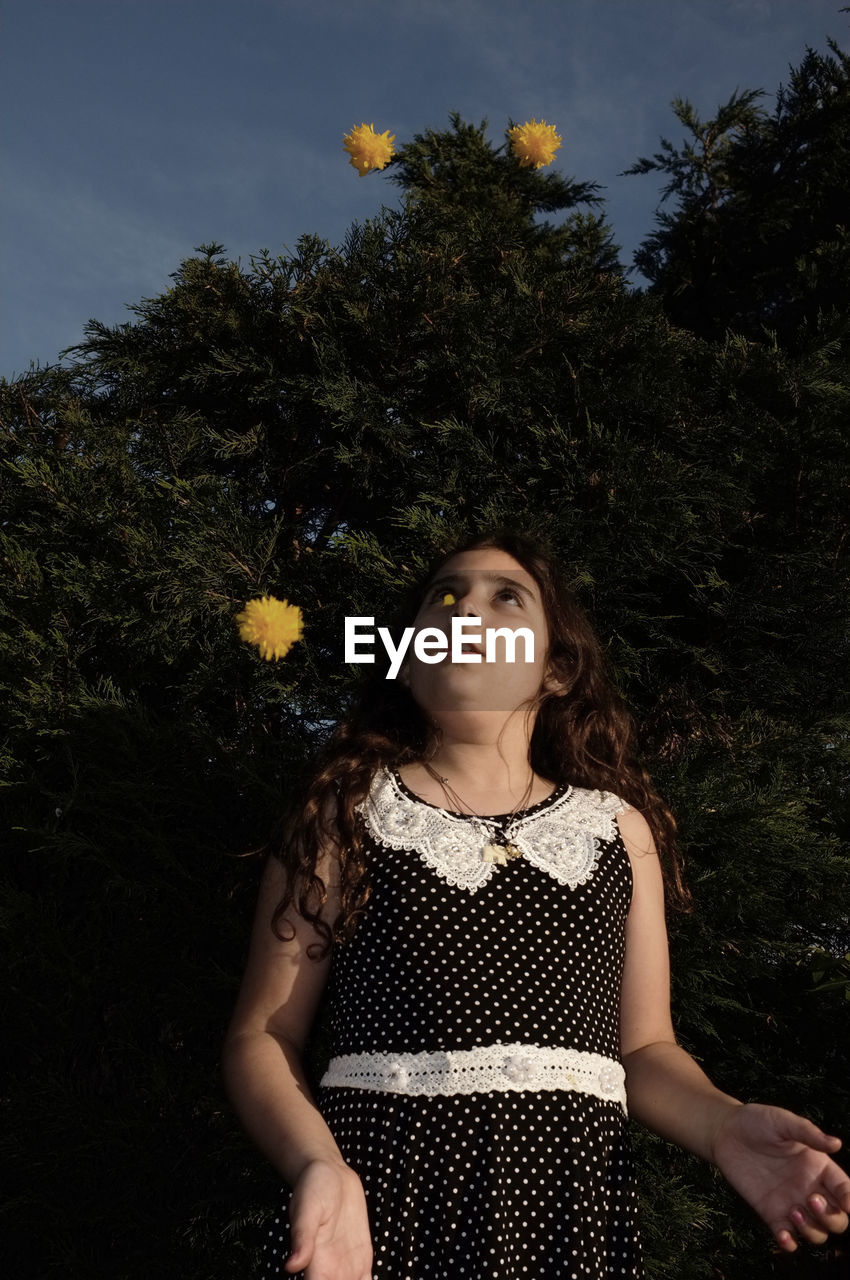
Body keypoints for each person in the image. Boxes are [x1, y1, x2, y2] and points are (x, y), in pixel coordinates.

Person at [221, 527, 850, 1279]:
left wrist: (724, 1125)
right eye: (443, 598)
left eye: (505, 598)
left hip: (569, 1210)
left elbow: (645, 1051)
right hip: (375, 1207)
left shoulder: (618, 828)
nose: (465, 613)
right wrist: (319, 1167)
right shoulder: (346, 811)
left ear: (555, 669)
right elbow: (263, 1035)